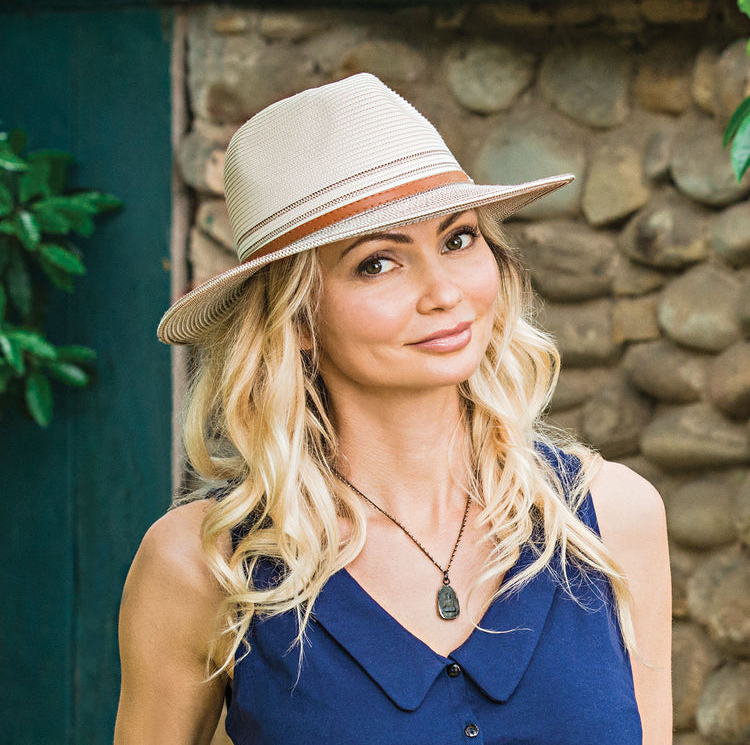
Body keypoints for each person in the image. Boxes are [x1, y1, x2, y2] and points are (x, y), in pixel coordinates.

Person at [114, 73, 672, 744]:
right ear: (293, 316)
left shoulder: (613, 518)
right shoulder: (202, 567)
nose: (443, 292)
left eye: (458, 239)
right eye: (378, 263)